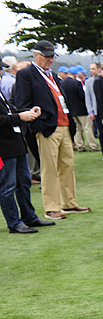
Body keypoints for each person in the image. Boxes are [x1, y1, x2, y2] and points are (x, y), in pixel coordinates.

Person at [13, 39, 90, 220]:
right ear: (36, 55)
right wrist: (37, 125)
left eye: (52, 56)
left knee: (67, 166)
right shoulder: (26, 74)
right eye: (46, 56)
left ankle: (69, 203)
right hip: (47, 128)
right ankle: (51, 207)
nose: (50, 60)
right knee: (49, 168)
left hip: (64, 126)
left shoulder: (54, 76)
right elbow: (22, 104)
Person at [0, 90, 54, 233]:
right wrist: (20, 117)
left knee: (24, 183)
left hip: (16, 145)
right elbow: (3, 118)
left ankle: (29, 217)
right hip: (4, 148)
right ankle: (14, 223)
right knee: (7, 186)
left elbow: (10, 111)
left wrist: (27, 112)